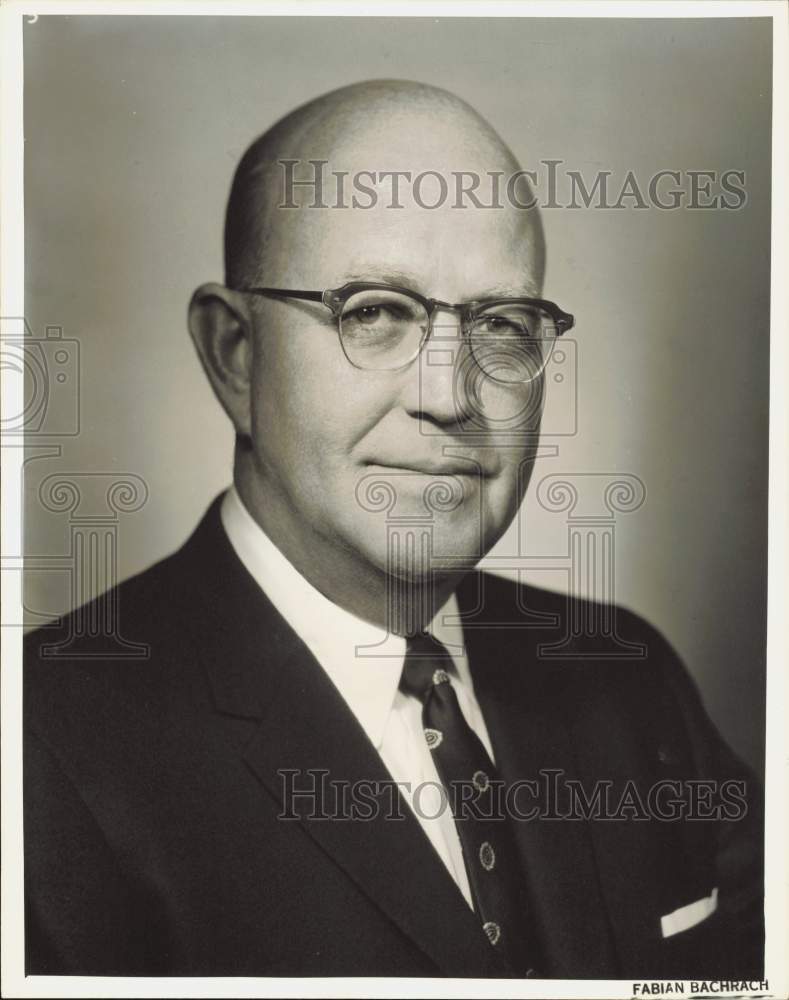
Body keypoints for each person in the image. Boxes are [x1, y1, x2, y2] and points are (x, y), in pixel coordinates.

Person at [24, 79, 763, 979]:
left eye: (501, 323)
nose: (449, 397)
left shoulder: (625, 678)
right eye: (373, 312)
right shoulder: (38, 752)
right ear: (235, 355)